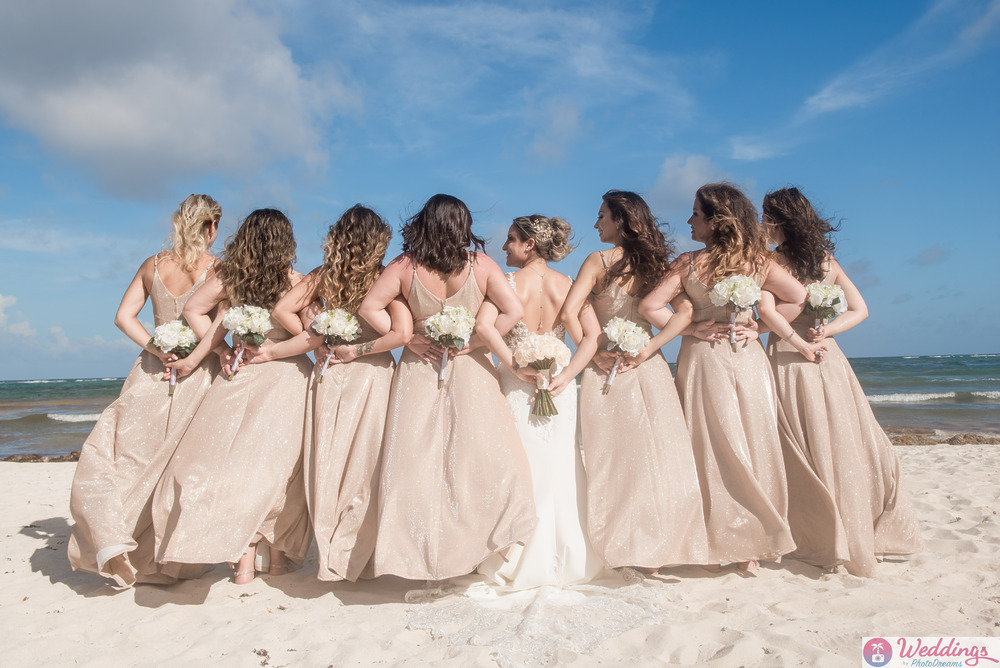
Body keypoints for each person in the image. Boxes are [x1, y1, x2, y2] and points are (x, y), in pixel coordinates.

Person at [640, 182, 822, 572]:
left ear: (715, 220)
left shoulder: (689, 263)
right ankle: (753, 546)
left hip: (705, 356)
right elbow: (797, 299)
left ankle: (722, 538)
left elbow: (650, 306)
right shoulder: (759, 261)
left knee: (710, 444)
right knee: (755, 440)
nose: (688, 221)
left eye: (695, 214)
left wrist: (691, 330)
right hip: (746, 356)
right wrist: (759, 327)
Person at [361, 194, 537, 581]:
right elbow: (513, 311)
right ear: (462, 225)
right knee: (474, 457)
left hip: (419, 366)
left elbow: (369, 307)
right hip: (469, 365)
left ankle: (419, 554)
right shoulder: (481, 265)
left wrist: (407, 337)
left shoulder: (404, 266)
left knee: (414, 460)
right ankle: (471, 552)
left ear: (425, 221)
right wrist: (475, 343)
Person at [762, 186, 923, 576]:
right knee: (838, 440)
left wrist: (801, 341)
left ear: (778, 220)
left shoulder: (769, 262)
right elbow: (861, 309)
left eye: (765, 216)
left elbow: (767, 313)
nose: (760, 224)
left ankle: (814, 532)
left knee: (800, 444)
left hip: (789, 357)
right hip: (827, 357)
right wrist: (827, 331)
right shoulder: (825, 261)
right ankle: (849, 528)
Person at [152, 208, 312, 584]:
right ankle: (275, 560)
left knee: (234, 465)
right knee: (277, 468)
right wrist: (276, 349)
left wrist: (222, 351)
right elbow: (311, 334)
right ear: (285, 243)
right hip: (286, 376)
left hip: (239, 373)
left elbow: (193, 309)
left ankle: (242, 562)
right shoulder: (297, 281)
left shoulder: (229, 275)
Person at [68, 194, 221, 586]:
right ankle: (161, 559)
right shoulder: (218, 268)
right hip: (197, 373)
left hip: (150, 372)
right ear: (210, 227)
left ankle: (116, 543)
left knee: (131, 459)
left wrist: (156, 346)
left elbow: (123, 317)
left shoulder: (152, 265)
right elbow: (219, 329)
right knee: (177, 464)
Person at [259, 205, 411, 582]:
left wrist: (318, 341)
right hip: (371, 375)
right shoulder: (382, 277)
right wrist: (356, 347)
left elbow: (281, 309)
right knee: (365, 464)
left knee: (327, 462)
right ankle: (354, 554)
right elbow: (398, 332)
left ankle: (332, 553)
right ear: (377, 242)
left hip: (330, 375)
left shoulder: (324, 276)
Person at [560, 190, 710, 571]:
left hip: (604, 369)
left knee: (612, 462)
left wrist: (593, 353)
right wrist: (654, 345)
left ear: (620, 220)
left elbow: (567, 314)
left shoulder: (596, 261)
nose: (596, 225)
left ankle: (624, 550)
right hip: (649, 366)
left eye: (601, 217)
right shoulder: (656, 263)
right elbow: (685, 312)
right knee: (658, 458)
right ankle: (659, 551)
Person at [475, 214, 603, 589]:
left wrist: (515, 366)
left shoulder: (508, 283)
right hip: (560, 389)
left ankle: (513, 555)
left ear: (529, 244)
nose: (504, 247)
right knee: (561, 464)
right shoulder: (569, 285)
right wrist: (568, 375)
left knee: (521, 465)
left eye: (511, 239)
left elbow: (484, 327)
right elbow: (591, 337)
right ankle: (569, 557)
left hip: (519, 385)